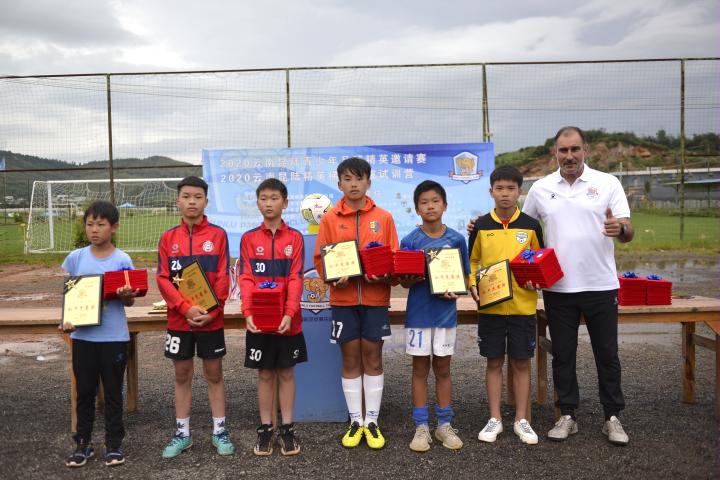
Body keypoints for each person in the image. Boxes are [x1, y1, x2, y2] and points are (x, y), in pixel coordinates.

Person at [523, 126, 634, 445]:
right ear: (554, 153)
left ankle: (612, 417)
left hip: (600, 285)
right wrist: (479, 225)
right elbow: (524, 229)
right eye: (563, 150)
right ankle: (567, 415)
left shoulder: (607, 183)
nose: (569, 156)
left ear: (586, 149)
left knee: (607, 354)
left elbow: (628, 229)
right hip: (557, 287)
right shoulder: (541, 188)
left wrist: (619, 229)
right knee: (563, 354)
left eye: (574, 149)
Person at [313, 157, 399, 450]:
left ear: (369, 182)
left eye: (359, 179)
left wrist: (384, 274)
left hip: (375, 300)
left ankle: (372, 421)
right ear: (339, 184)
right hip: (343, 300)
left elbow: (393, 258)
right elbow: (320, 259)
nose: (354, 184)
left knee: (373, 358)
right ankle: (355, 421)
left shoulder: (384, 218)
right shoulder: (329, 219)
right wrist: (332, 278)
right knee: (350, 359)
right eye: (347, 179)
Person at [157, 176, 235, 458]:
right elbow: (163, 278)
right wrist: (184, 308)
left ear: (206, 201)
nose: (192, 201)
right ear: (178, 201)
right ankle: (182, 434)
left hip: (210, 320)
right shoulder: (168, 238)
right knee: (182, 375)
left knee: (214, 374)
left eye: (198, 197)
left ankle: (220, 431)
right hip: (180, 320)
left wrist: (212, 312)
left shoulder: (218, 235)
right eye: (187, 196)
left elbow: (224, 276)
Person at [467, 165, 544, 445]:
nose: (505, 194)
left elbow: (540, 260)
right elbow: (472, 260)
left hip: (523, 307)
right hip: (491, 307)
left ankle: (522, 419)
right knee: (494, 362)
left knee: (521, 362)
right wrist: (472, 283)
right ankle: (495, 418)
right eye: (499, 188)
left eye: (511, 188)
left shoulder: (531, 225)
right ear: (491, 191)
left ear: (519, 191)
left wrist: (537, 280)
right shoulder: (480, 226)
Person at [60, 200, 139, 468]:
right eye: (90, 224)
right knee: (84, 392)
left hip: (114, 337)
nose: (94, 229)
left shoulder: (122, 260)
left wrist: (126, 296)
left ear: (114, 227)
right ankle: (82, 443)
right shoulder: (76, 258)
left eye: (101, 224)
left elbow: (130, 301)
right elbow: (68, 293)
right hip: (83, 338)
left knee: (114, 393)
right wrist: (66, 319)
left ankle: (114, 444)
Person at [399, 180, 469, 452]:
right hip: (418, 316)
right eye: (424, 202)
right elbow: (404, 282)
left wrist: (456, 291)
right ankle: (421, 427)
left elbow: (463, 277)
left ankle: (444, 424)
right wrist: (408, 278)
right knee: (419, 370)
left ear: (445, 205)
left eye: (435, 201)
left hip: (444, 316)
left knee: (443, 369)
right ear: (417, 209)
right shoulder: (410, 241)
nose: (430, 206)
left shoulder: (456, 239)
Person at [238, 178, 307, 456]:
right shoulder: (248, 239)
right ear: (257, 203)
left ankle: (287, 429)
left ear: (285, 203)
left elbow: (296, 277)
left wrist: (289, 312)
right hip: (260, 321)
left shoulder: (295, 238)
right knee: (265, 373)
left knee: (287, 372)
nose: (269, 203)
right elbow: (245, 278)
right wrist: (248, 311)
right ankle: (266, 429)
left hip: (289, 322)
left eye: (274, 198)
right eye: (264, 198)